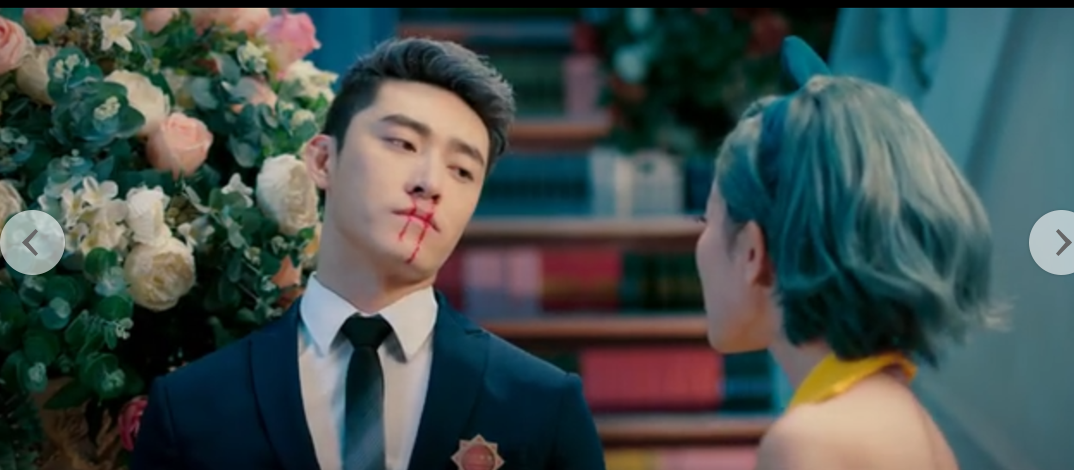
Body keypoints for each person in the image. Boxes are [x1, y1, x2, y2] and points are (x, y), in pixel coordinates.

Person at [131, 37, 606, 470]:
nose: (431, 183)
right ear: (323, 160)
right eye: (403, 143)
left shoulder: (542, 406)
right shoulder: (191, 407)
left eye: (462, 170)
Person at [695, 37, 1000, 470]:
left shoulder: (810, 442)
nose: (700, 242)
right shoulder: (905, 417)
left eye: (705, 221)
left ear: (751, 253)